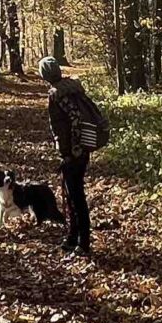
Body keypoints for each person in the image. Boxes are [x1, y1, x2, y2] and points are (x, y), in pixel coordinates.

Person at [39, 56, 105, 254]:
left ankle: (83, 243)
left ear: (45, 75)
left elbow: (74, 121)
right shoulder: (72, 88)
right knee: (71, 196)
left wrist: (71, 152)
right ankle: (72, 238)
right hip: (82, 149)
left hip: (74, 153)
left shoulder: (57, 95)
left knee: (76, 198)